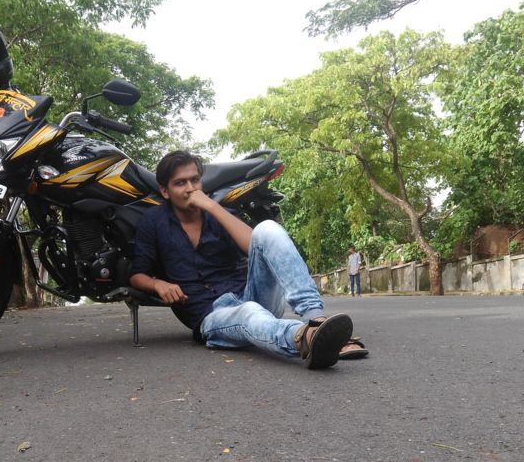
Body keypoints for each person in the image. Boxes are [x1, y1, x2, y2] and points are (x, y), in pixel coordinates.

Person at [130, 151, 366, 369]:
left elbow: (256, 245)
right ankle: (308, 337)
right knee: (249, 313)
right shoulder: (154, 221)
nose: (191, 189)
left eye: (195, 180)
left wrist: (212, 206)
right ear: (165, 191)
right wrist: (158, 284)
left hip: (252, 294)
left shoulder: (218, 213)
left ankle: (316, 319)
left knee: (268, 228)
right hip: (211, 315)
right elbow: (137, 275)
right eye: (180, 183)